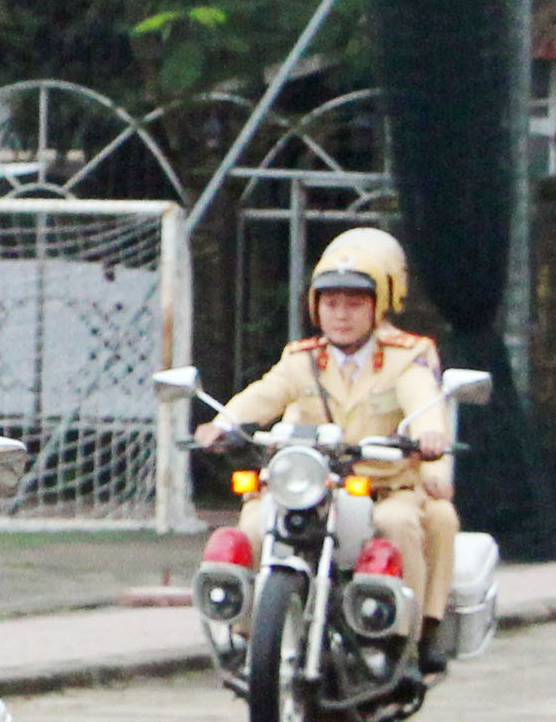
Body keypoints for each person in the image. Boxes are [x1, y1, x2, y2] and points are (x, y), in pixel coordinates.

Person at [196, 226, 463, 645]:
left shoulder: (407, 356)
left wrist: (430, 434)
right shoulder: (302, 359)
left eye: (355, 304)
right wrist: (223, 423)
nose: (341, 314)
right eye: (331, 303)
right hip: (310, 483)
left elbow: (423, 398)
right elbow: (265, 394)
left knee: (398, 524)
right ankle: (248, 635)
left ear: (379, 306)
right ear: (315, 307)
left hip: (384, 485)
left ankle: (403, 637)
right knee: (254, 519)